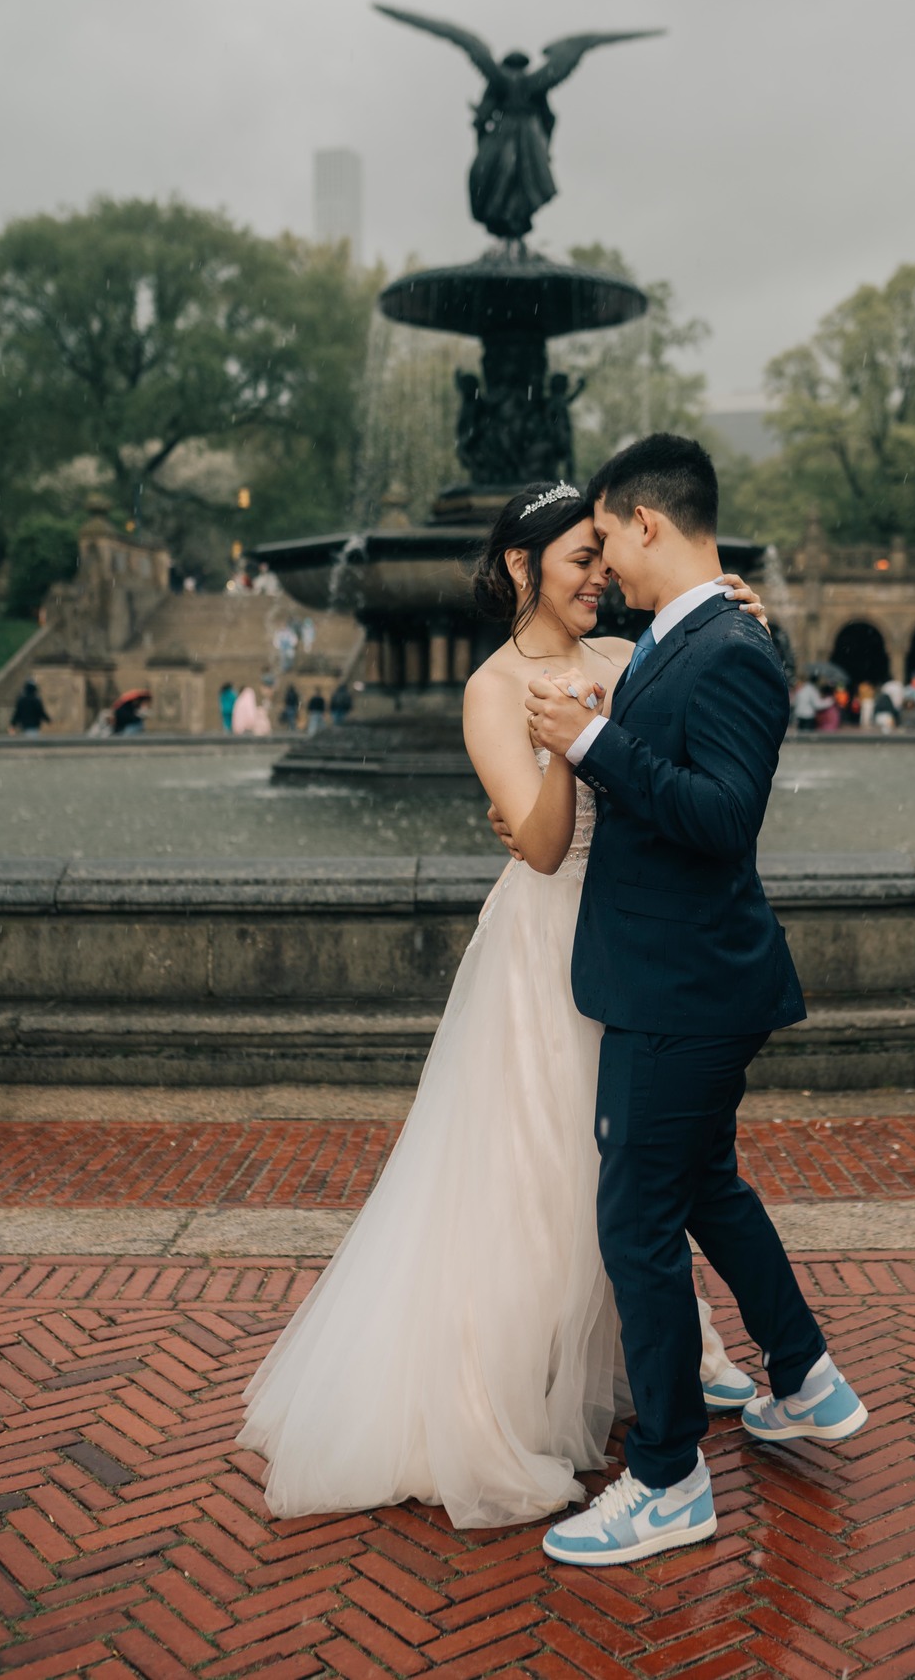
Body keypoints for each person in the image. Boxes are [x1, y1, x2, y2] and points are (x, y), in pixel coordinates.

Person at [238, 476, 769, 1527]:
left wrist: (741, 615)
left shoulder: (627, 655)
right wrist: (565, 744)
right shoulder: (489, 687)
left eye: (605, 558)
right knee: (542, 1165)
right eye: (581, 561)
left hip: (634, 936)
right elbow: (532, 841)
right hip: (541, 950)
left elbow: (691, 737)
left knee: (632, 1160)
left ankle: (655, 1349)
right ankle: (512, 1378)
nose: (602, 579)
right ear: (525, 567)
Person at [525, 436, 865, 1567]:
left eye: (609, 534)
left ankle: (668, 1477)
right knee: (705, 1184)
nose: (605, 559)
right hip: (681, 971)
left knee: (635, 1217)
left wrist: (589, 741)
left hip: (683, 983)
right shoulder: (703, 631)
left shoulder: (729, 647)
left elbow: (723, 816)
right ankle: (805, 1371)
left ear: (648, 521)